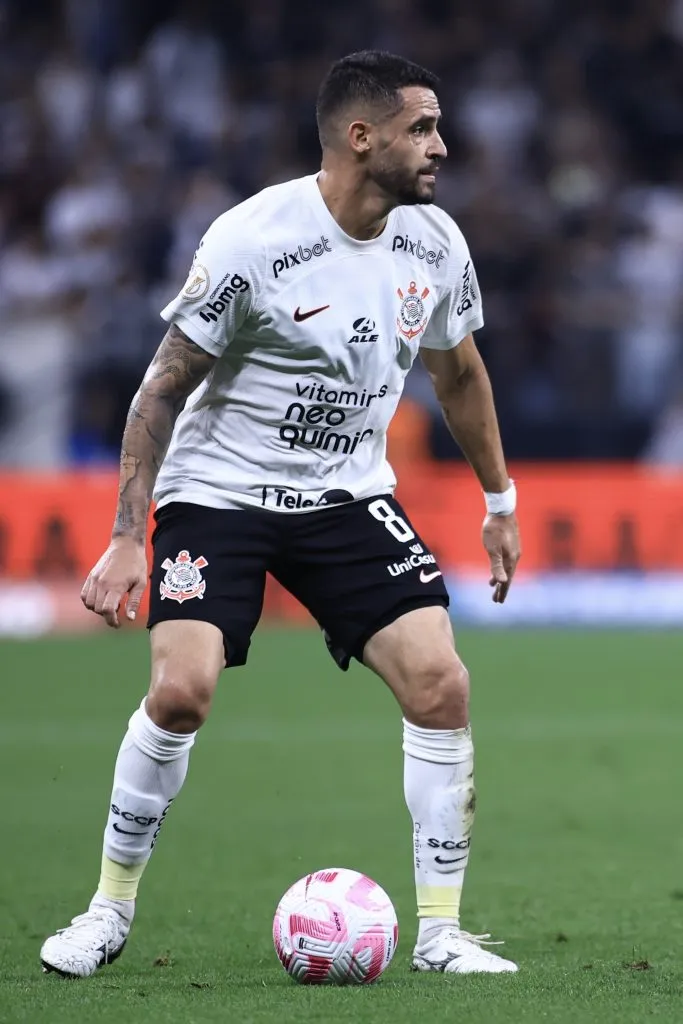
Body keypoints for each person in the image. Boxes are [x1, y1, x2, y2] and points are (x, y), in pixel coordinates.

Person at [40, 50, 521, 979]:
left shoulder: (435, 242)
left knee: (441, 685)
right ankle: (106, 910)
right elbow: (159, 390)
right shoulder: (253, 238)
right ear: (360, 136)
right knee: (181, 692)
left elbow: (458, 373)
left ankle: (439, 933)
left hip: (347, 495)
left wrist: (498, 500)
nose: (441, 147)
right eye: (421, 128)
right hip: (218, 491)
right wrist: (126, 537)